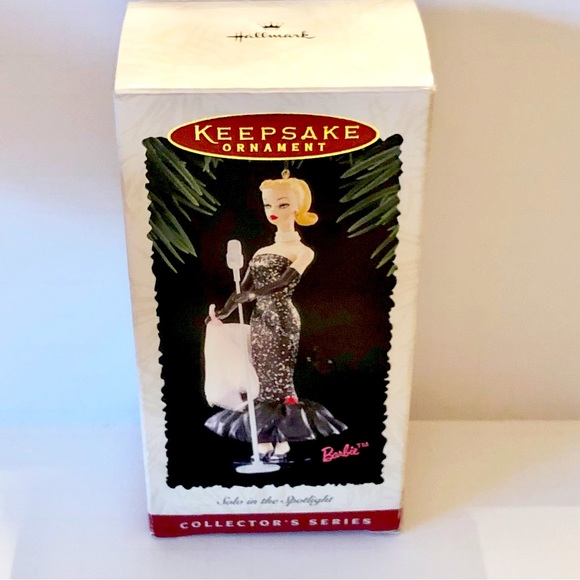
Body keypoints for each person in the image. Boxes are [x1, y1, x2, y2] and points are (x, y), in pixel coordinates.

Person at [205, 170, 347, 463]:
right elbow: (242, 288)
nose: (273, 211)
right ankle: (270, 438)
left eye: (282, 204)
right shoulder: (261, 250)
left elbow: (283, 283)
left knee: (278, 379)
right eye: (268, 204)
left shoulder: (302, 251)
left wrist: (251, 296)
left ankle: (277, 439)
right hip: (259, 319)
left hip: (282, 319)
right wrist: (224, 312)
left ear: (297, 208)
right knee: (260, 377)